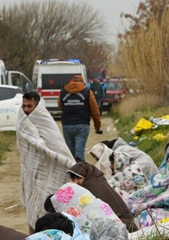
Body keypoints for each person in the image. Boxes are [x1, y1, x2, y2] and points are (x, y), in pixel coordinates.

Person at [16, 90, 74, 231]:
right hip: (30, 171)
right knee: (31, 207)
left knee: (44, 208)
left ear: (38, 105)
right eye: (24, 106)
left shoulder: (45, 120)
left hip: (47, 172)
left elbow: (58, 146)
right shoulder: (21, 120)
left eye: (30, 106)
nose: (26, 110)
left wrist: (70, 165)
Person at [66, 161, 135, 231]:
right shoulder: (96, 180)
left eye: (78, 179)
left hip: (123, 225)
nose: (76, 182)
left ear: (86, 175)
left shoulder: (93, 186)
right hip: (125, 222)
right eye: (74, 179)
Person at [59, 74, 103, 161]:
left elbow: (60, 106)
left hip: (67, 125)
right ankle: (80, 172)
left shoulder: (63, 92)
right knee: (79, 151)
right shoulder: (87, 92)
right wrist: (97, 126)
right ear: (82, 82)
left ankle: (71, 171)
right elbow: (95, 111)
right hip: (82, 125)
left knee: (70, 153)